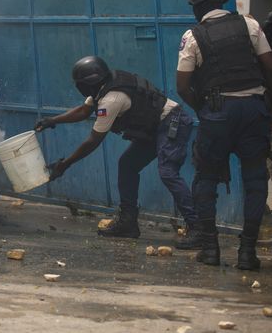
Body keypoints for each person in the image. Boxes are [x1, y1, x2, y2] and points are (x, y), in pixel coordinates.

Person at [35, 56, 199, 247]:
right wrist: (52, 120)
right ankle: (128, 223)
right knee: (127, 165)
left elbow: (93, 140)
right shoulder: (102, 87)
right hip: (155, 127)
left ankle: (197, 227)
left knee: (168, 173)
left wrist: (65, 165)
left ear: (87, 84)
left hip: (172, 123)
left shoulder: (111, 99)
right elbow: (83, 111)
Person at [177, 0, 272, 270]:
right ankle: (247, 253)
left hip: (217, 114)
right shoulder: (250, 25)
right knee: (256, 179)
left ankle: (211, 249)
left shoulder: (193, 35)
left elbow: (183, 85)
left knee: (205, 178)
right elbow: (269, 68)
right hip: (253, 111)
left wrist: (204, 109)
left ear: (198, 6)